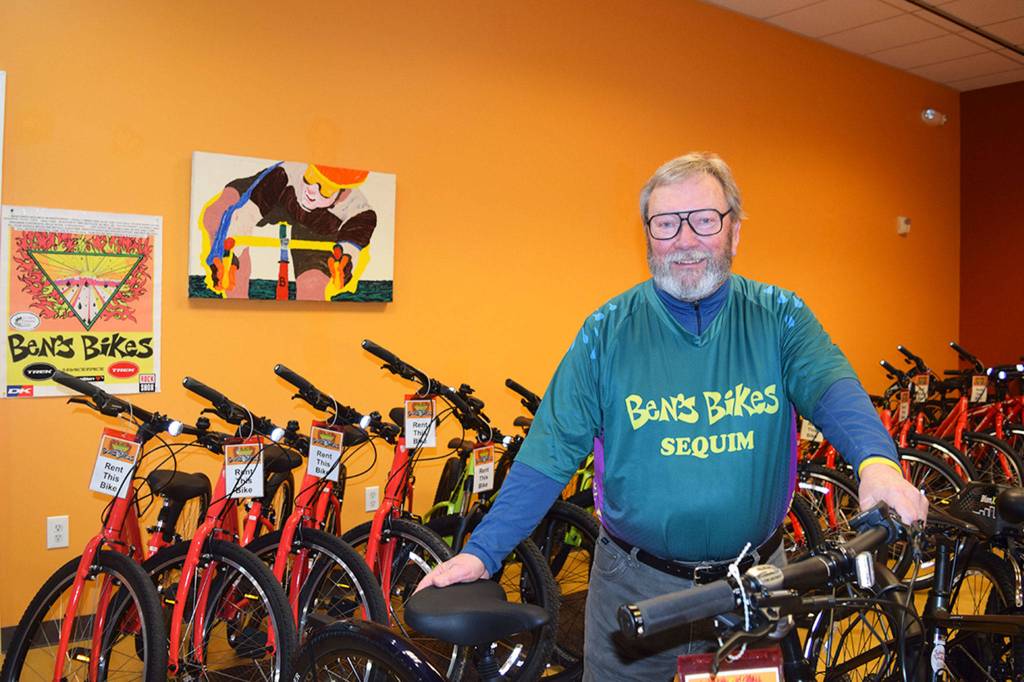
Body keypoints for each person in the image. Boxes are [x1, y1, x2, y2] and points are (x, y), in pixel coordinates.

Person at [415, 152, 928, 680]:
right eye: (665, 223)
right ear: (647, 236)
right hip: (635, 592)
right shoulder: (606, 332)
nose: (685, 240)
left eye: (704, 220)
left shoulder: (779, 317)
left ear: (735, 232)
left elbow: (831, 387)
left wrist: (878, 465)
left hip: (755, 589)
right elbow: (550, 450)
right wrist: (483, 552)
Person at [201, 162, 377, 300]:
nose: (311, 191)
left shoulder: (359, 211)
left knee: (312, 287)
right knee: (216, 215)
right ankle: (235, 300)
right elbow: (246, 215)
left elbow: (350, 246)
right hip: (276, 199)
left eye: (325, 188)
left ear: (344, 193)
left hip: (316, 226)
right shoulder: (283, 174)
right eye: (311, 177)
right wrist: (229, 256)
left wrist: (344, 262)